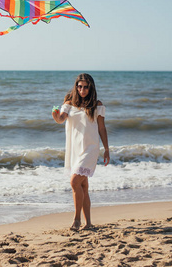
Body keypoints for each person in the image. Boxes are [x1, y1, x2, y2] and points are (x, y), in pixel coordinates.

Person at [52, 73, 110, 231]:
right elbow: (61, 119)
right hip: (75, 149)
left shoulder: (97, 105)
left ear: (90, 88)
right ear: (76, 87)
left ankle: (76, 220)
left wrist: (106, 149)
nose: (82, 90)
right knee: (83, 185)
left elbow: (102, 128)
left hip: (91, 148)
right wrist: (55, 115)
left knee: (74, 182)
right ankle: (89, 223)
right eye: (79, 86)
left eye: (85, 87)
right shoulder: (69, 103)